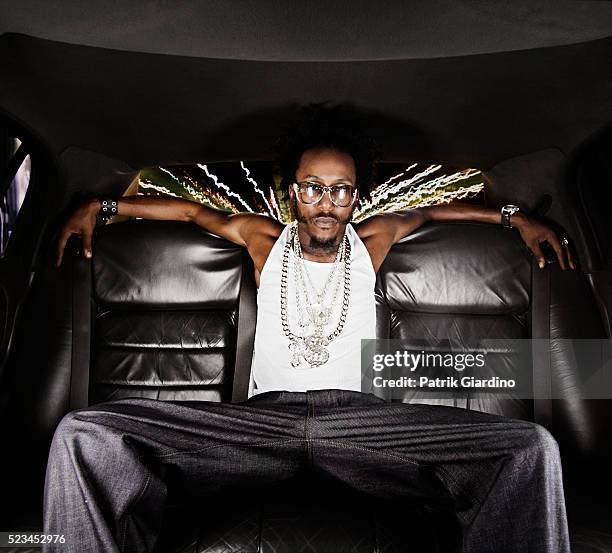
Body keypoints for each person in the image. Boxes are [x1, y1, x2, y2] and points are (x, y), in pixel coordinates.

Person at [45, 105, 574, 552]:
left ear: (356, 197)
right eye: (313, 189)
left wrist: (514, 216)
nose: (327, 204)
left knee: (531, 448)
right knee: (85, 435)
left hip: (359, 424)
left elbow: (435, 213)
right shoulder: (262, 239)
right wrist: (101, 205)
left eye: (341, 191)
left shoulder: (372, 240)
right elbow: (190, 214)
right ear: (293, 192)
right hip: (261, 424)